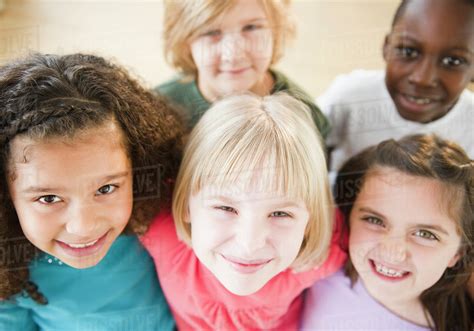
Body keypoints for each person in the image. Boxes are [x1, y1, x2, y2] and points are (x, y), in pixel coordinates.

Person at [0, 53, 184, 330]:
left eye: (106, 188)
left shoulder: (158, 218)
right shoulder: (8, 271)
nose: (83, 227)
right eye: (49, 198)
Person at [141, 93, 346, 330]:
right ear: (186, 204)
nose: (250, 245)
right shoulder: (159, 228)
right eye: (225, 208)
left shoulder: (322, 255)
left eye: (280, 214)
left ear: (309, 222)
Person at [301, 134, 473, 331]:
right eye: (375, 220)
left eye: (425, 234)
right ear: (349, 215)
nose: (393, 250)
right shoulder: (316, 262)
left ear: (458, 252)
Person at [319, 0, 474, 172]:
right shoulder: (350, 96)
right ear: (386, 47)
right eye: (408, 51)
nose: (422, 79)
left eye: (453, 61)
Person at [157, 0, 330, 138]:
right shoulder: (158, 110)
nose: (234, 53)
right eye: (210, 32)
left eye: (251, 27)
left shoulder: (305, 117)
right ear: (184, 42)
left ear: (277, 32)